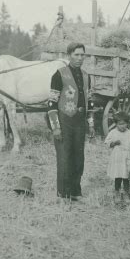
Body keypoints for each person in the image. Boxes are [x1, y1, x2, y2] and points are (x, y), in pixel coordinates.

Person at [47, 42, 95, 200]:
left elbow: (90, 101)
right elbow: (51, 104)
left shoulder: (87, 76)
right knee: (64, 157)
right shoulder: (59, 74)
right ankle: (63, 194)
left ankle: (75, 192)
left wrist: (91, 124)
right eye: (76, 55)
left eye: (82, 55)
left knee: (78, 157)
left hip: (80, 122)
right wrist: (56, 128)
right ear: (69, 55)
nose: (80, 58)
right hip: (64, 121)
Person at [104, 112, 130, 200]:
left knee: (126, 176)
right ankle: (117, 191)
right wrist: (114, 143)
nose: (122, 126)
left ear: (127, 123)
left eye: (124, 124)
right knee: (118, 175)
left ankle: (126, 192)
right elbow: (107, 143)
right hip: (117, 157)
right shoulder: (113, 132)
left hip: (127, 157)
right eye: (120, 124)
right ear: (116, 124)